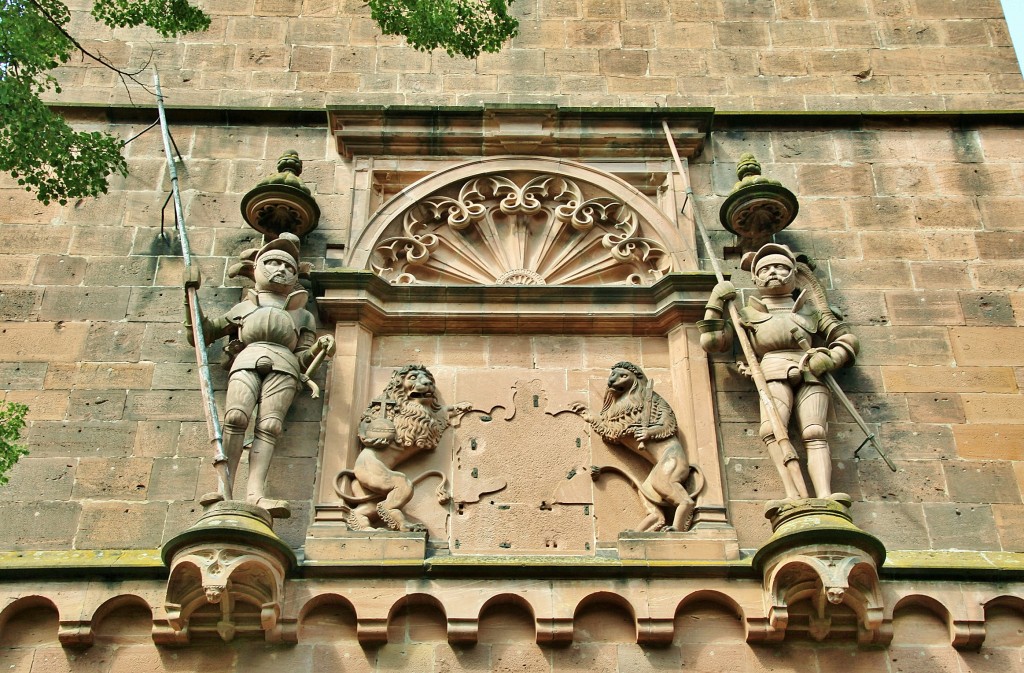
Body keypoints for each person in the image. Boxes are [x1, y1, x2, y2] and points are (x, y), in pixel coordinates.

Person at [184, 232, 334, 517]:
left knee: (270, 426)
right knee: (235, 418)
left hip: (285, 366)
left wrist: (318, 348)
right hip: (247, 358)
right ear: (256, 268)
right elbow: (202, 334)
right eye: (273, 262)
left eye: (289, 266)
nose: (281, 269)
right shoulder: (245, 307)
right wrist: (188, 295)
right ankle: (224, 488)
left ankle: (255, 495)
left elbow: (303, 358)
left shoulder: (302, 315)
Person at [697, 243, 858, 500]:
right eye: (766, 268)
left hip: (811, 370)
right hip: (771, 371)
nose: (773, 272)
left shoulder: (812, 311)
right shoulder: (747, 314)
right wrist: (715, 301)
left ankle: (825, 494)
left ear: (794, 273)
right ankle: (792, 493)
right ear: (755, 277)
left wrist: (832, 358)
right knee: (772, 431)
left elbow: (846, 339)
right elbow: (713, 342)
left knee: (815, 432)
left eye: (780, 267)